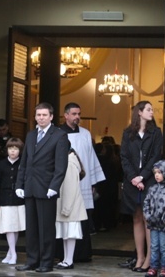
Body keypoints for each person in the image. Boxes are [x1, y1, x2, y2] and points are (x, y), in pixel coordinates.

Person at [15, 102, 69, 273]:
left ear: (51, 117)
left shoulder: (59, 136)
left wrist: (54, 186)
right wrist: (19, 184)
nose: (41, 118)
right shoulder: (31, 135)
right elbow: (24, 162)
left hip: (47, 189)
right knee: (31, 228)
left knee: (46, 228)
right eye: (38, 115)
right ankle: (32, 260)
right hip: (30, 186)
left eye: (44, 115)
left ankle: (46, 262)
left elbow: (61, 166)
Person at [59, 102, 105, 262]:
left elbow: (91, 158)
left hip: (83, 183)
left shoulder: (85, 133)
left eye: (79, 114)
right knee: (63, 217)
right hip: (64, 183)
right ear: (66, 115)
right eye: (74, 114)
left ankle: (82, 254)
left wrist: (93, 182)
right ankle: (62, 255)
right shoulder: (58, 133)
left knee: (82, 218)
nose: (77, 117)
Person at [120, 100, 163, 272]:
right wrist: (133, 178)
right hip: (132, 183)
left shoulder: (156, 133)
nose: (152, 112)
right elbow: (124, 157)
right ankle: (140, 257)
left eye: (152, 109)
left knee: (148, 219)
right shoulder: (127, 133)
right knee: (136, 218)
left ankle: (150, 261)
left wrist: (142, 176)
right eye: (149, 109)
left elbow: (155, 157)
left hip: (149, 181)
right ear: (139, 112)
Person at [0, 137, 25, 265]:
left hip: (19, 199)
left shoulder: (23, 163)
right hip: (5, 198)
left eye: (16, 149)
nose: (13, 151)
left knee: (15, 227)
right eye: (11, 148)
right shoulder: (1, 164)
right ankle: (13, 253)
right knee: (8, 227)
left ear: (20, 150)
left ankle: (10, 252)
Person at [55, 148, 88, 270]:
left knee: (69, 234)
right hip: (68, 205)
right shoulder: (70, 160)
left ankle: (69, 260)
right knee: (66, 235)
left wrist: (66, 208)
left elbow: (70, 188)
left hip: (69, 206)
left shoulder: (68, 163)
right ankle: (66, 259)